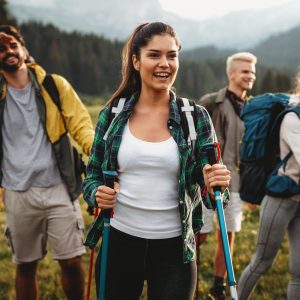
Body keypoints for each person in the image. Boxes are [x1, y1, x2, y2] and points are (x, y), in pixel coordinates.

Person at [82, 22, 231, 300]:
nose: (165, 63)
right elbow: (91, 178)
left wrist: (217, 184)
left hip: (175, 252)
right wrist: (96, 193)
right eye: (154, 55)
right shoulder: (112, 114)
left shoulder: (194, 116)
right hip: (120, 244)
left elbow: (214, 194)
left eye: (172, 55)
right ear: (136, 61)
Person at [0, 25, 94, 300]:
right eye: (0, 49)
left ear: (23, 49)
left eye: (11, 45)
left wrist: (97, 152)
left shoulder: (54, 85)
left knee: (72, 262)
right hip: (18, 192)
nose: (7, 52)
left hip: (59, 188)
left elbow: (81, 125)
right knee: (26, 266)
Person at [197, 52, 257, 300]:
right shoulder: (211, 102)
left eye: (253, 71)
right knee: (198, 234)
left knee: (228, 233)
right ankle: (188, 284)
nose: (250, 76)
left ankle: (218, 287)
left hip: (235, 183)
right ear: (231, 74)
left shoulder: (253, 108)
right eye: (245, 71)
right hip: (207, 181)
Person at [237, 74, 300, 300]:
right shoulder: (293, 118)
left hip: (298, 200)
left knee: (298, 272)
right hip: (280, 198)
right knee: (262, 262)